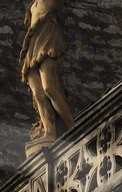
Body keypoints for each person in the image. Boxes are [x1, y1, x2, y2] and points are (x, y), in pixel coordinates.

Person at [21, 0, 75, 140]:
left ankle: (73, 128)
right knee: (38, 92)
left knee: (49, 87)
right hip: (34, 41)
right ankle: (49, 132)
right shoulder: (33, 5)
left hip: (49, 35)